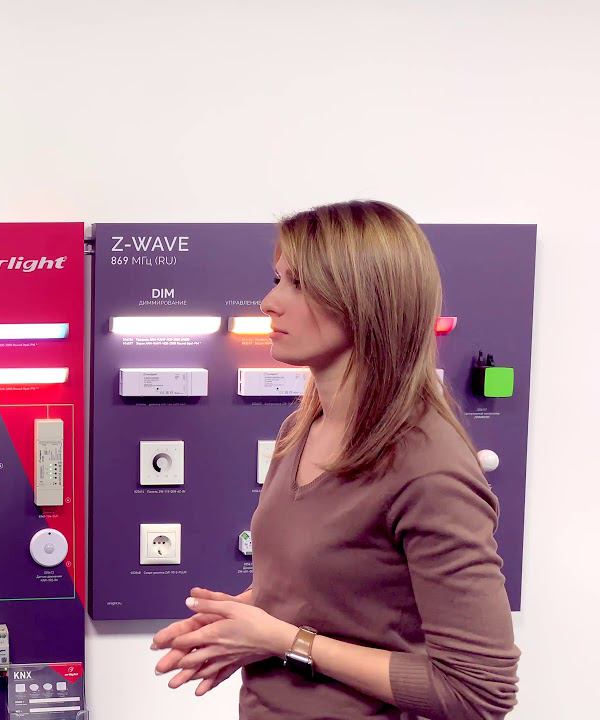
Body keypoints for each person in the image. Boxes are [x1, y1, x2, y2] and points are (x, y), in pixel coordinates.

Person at [151, 201, 519, 719]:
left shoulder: (428, 465)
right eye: (277, 279)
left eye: (299, 284)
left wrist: (282, 639)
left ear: (363, 300)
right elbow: (330, 595)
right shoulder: (300, 431)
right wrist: (240, 623)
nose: (269, 303)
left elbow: (478, 693)